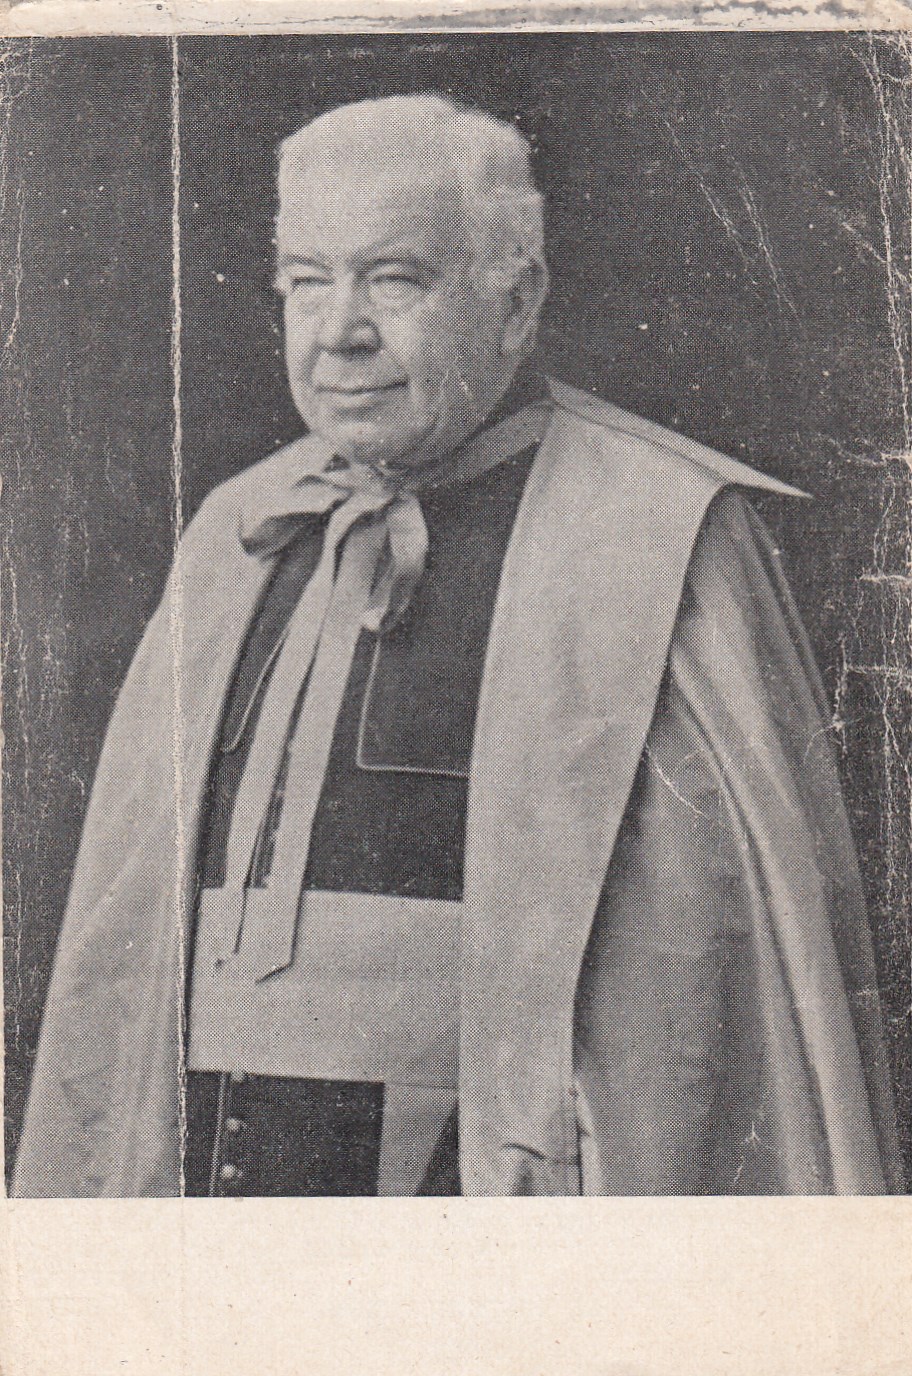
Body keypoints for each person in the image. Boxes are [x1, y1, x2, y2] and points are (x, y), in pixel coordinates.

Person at [13, 93, 902, 1198]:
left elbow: (705, 1010)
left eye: (393, 280)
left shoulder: (658, 533)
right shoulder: (238, 530)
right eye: (306, 282)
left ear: (516, 301)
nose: (339, 332)